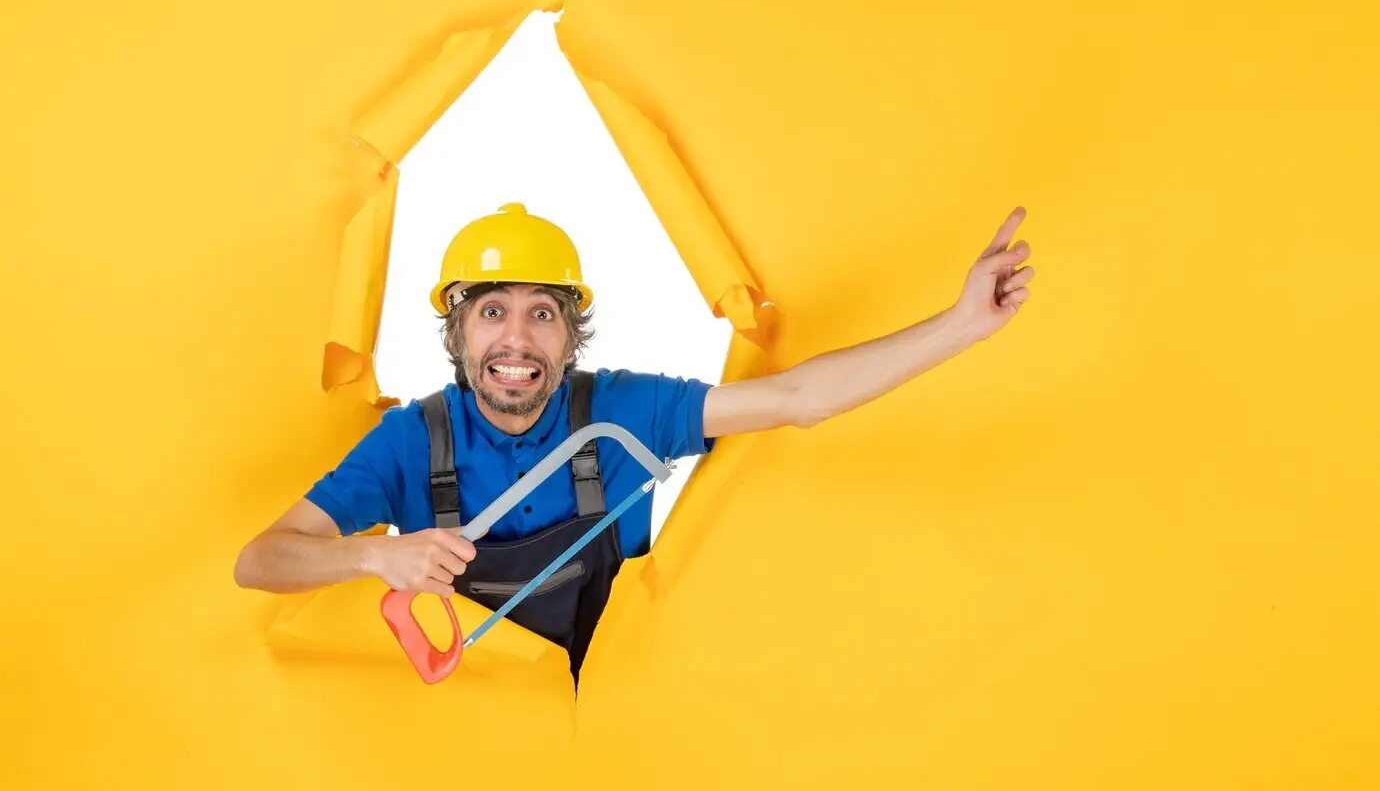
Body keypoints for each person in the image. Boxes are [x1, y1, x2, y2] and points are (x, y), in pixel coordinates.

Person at [234, 201, 1034, 679]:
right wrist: (374, 555)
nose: (516, 339)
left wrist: (962, 324)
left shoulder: (617, 411)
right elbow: (260, 560)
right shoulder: (410, 442)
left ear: (569, 331)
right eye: (491, 311)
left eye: (541, 312)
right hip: (473, 738)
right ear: (456, 331)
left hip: (622, 716)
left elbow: (797, 397)